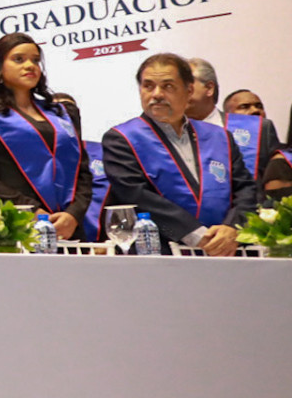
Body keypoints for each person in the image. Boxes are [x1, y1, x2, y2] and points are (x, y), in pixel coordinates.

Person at [102, 53, 257, 255]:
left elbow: (246, 189)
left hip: (227, 250)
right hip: (160, 254)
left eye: (168, 86)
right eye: (148, 86)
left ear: (189, 90)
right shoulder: (122, 138)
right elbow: (136, 195)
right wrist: (198, 235)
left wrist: (233, 228)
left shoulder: (220, 137)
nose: (157, 94)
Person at [0, 34, 91, 238]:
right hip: (14, 222)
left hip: (67, 226)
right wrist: (30, 210)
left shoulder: (63, 113)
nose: (30, 65)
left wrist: (74, 214)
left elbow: (82, 171)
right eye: (19, 59)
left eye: (35, 60)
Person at [218, 88, 279, 183]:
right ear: (228, 116)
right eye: (244, 107)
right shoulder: (216, 144)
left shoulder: (280, 153)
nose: (255, 110)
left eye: (259, 106)